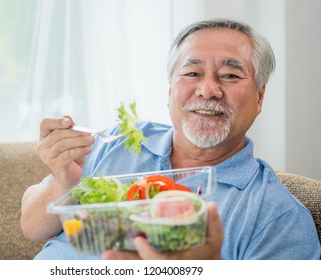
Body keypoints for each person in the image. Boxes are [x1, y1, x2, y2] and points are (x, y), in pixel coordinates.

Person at [20, 18, 321, 260]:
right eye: (192, 73)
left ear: (259, 96)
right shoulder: (117, 140)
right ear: (169, 92)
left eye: (230, 76)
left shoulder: (278, 219)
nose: (208, 89)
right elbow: (31, 226)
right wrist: (64, 181)